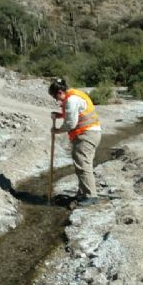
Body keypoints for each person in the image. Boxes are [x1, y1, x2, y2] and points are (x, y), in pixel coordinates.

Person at [48, 78, 102, 206]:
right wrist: (60, 115)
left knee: (83, 165)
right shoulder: (75, 94)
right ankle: (83, 193)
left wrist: (58, 130)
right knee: (83, 164)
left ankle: (90, 196)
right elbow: (76, 113)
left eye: (56, 97)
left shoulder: (71, 100)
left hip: (86, 134)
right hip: (90, 133)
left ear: (60, 92)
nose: (57, 100)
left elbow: (71, 123)